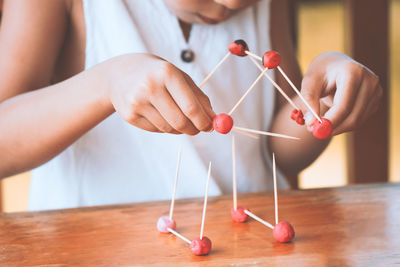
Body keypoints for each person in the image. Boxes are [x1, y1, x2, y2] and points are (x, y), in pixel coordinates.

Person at [0, 0, 382, 211]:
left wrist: (320, 106)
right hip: (91, 248)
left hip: (246, 246)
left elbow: (278, 152)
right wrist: (105, 84)